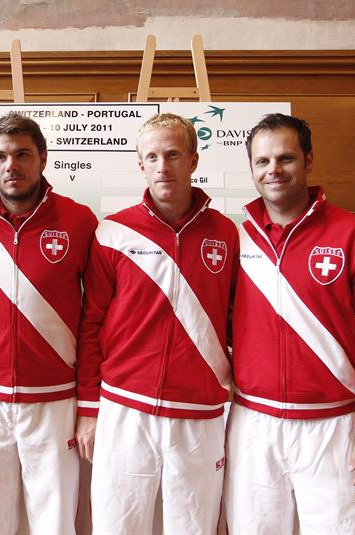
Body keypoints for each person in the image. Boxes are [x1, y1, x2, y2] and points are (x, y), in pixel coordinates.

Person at [225, 113, 355, 533]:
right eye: (262, 161)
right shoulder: (237, 238)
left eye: (286, 158)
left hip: (334, 426)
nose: (273, 170)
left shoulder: (353, 235)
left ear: (308, 161)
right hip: (254, 425)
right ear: (251, 168)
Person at [75, 113, 237, 533]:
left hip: (198, 413)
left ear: (193, 161)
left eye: (173, 155)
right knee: (116, 526)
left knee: (194, 528)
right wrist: (90, 408)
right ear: (140, 164)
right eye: (152, 157)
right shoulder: (113, 232)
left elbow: (238, 320)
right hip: (125, 407)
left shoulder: (227, 234)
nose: (163, 166)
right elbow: (90, 325)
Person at [0, 111, 98, 534]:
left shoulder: (80, 221)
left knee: (53, 523)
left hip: (52, 401)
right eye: (0, 156)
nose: (11, 165)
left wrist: (89, 402)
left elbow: (95, 319)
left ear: (43, 158)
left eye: (22, 154)